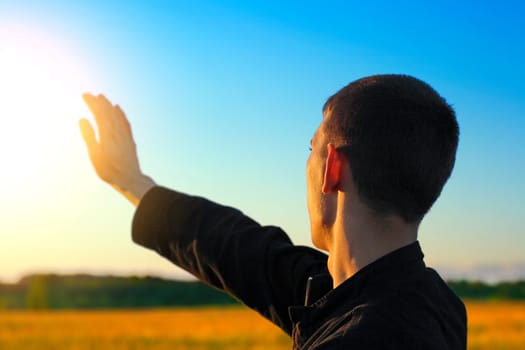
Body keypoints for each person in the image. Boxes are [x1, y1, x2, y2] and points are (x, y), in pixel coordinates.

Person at [79, 74, 467, 349]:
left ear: (332, 168)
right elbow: (243, 249)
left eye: (310, 147)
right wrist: (133, 181)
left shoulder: (362, 336)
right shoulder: (431, 302)